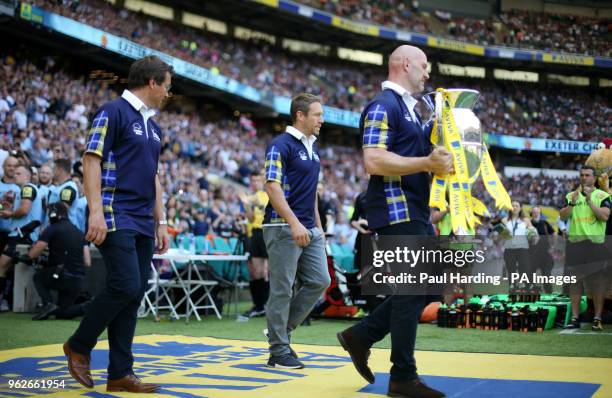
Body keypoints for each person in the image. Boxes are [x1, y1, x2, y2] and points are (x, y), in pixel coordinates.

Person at [336, 45, 452, 398]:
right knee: (414, 290)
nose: (427, 73)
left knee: (428, 289)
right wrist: (426, 164)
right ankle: (402, 376)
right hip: (396, 211)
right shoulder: (382, 105)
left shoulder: (409, 110)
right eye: (423, 66)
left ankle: (362, 335)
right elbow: (372, 160)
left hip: (414, 211)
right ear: (404, 64)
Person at [63, 56, 172, 393]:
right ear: (152, 82)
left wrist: (162, 221)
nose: (169, 93)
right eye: (167, 85)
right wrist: (95, 211)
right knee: (125, 285)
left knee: (135, 293)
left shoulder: (153, 127)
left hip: (142, 218)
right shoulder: (113, 111)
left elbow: (154, 176)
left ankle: (120, 373)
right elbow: (90, 159)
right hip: (114, 210)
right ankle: (79, 345)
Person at [262, 93, 331, 369]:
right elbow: (272, 186)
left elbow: (311, 191)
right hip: (282, 227)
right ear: (300, 115)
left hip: (309, 228)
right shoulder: (280, 145)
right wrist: (293, 223)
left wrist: (318, 227)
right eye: (317, 115)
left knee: (320, 281)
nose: (321, 120)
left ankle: (279, 332)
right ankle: (279, 350)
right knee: (282, 290)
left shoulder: (314, 148)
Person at [559, 166, 610, 331]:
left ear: (594, 178)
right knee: (576, 281)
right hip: (576, 245)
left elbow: (604, 216)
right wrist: (573, 203)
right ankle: (574, 317)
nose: (583, 178)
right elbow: (563, 215)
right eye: (581, 175)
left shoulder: (603, 195)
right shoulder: (571, 195)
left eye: (587, 175)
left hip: (596, 245)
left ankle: (597, 317)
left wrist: (589, 201)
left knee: (598, 282)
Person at [29, 202, 88, 320]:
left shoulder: (52, 229)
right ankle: (90, 306)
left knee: (38, 277)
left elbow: (32, 254)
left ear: (54, 214)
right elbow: (87, 262)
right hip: (77, 281)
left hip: (61, 275)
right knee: (62, 313)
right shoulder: (80, 232)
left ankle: (48, 303)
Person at [0, 164, 43, 310]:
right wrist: (8, 208)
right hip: (18, 233)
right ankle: (6, 300)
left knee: (2, 264)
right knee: (6, 267)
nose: (14, 175)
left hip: (23, 234)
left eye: (19, 173)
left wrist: (9, 213)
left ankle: (3, 300)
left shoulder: (27, 188)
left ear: (27, 176)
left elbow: (24, 210)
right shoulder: (22, 190)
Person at [241, 171, 270, 318]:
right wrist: (246, 206)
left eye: (258, 180)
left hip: (268, 232)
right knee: (256, 271)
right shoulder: (250, 198)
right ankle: (259, 305)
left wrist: (259, 205)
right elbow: (251, 219)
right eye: (253, 180)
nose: (255, 183)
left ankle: (266, 304)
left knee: (267, 271)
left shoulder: (268, 195)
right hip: (256, 234)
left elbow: (269, 212)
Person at [502, 200, 536, 291]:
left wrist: (533, 234)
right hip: (509, 248)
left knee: (525, 268)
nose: (515, 207)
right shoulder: (504, 220)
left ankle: (527, 287)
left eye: (517, 206)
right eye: (513, 205)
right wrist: (503, 234)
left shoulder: (526, 220)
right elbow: (502, 236)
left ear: (520, 208)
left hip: (523, 248)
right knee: (511, 270)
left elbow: (533, 232)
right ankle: (512, 288)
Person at [529, 206, 555, 293]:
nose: (536, 214)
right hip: (532, 256)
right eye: (534, 212)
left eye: (537, 212)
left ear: (540, 214)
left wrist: (553, 246)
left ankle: (549, 295)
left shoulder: (544, 224)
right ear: (531, 214)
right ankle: (531, 294)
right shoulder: (528, 224)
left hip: (545, 255)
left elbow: (554, 233)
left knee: (547, 276)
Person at [48, 158, 80, 229]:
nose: (52, 171)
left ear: (60, 170)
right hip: (56, 228)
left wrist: (49, 206)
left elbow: (63, 209)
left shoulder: (68, 188)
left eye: (54, 169)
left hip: (65, 229)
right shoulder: (60, 187)